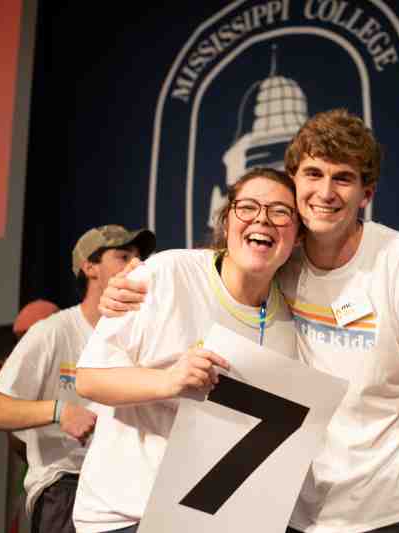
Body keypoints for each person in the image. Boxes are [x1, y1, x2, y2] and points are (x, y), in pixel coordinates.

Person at [100, 109, 399, 533]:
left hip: (393, 512)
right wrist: (142, 278)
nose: (325, 192)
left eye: (343, 178)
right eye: (313, 174)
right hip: (296, 514)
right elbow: (225, 263)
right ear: (294, 181)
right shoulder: (281, 259)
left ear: (366, 194)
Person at [71, 168, 300, 533]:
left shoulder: (288, 318)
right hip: (128, 516)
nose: (263, 219)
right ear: (227, 222)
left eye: (280, 211)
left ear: (297, 236)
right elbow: (89, 379)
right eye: (248, 207)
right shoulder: (165, 273)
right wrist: (169, 380)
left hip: (210, 518)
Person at [0, 225, 156, 533]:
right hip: (68, 487)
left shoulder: (141, 333)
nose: (135, 266)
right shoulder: (54, 331)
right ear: (90, 267)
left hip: (128, 486)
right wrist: (61, 411)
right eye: (123, 256)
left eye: (139, 258)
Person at [0, 299, 60, 533]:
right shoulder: (32, 375)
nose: (22, 348)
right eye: (19, 340)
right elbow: (24, 450)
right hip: (48, 494)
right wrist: (9, 399)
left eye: (27, 338)